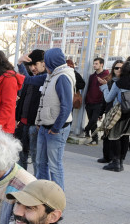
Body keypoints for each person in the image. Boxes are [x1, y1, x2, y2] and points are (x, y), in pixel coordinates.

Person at [18, 48, 75, 191]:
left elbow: (66, 106)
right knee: (41, 162)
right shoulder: (50, 75)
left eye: (45, 62)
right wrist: (20, 63)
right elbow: (28, 80)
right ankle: (42, 194)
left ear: (51, 62)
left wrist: (56, 128)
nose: (44, 65)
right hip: (44, 128)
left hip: (55, 130)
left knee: (55, 166)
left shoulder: (62, 77)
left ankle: (57, 201)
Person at [15, 49, 45, 174]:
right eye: (30, 65)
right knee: (21, 154)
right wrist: (18, 118)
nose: (33, 68)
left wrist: (20, 64)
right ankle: (21, 181)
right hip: (23, 123)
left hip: (35, 125)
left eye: (35, 64)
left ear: (44, 63)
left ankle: (37, 185)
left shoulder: (45, 79)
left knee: (36, 157)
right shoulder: (32, 78)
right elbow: (22, 99)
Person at [98, 59, 130, 172]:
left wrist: (104, 87)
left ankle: (116, 163)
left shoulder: (119, 82)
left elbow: (108, 98)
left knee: (114, 137)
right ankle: (121, 162)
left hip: (120, 113)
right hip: (129, 115)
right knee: (125, 137)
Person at [84, 57, 110, 145]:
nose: (94, 65)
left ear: (101, 64)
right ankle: (94, 140)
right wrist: (86, 99)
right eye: (94, 63)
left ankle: (86, 129)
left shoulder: (107, 75)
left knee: (93, 120)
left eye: (96, 64)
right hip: (89, 101)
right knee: (93, 122)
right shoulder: (92, 76)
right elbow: (89, 88)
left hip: (99, 103)